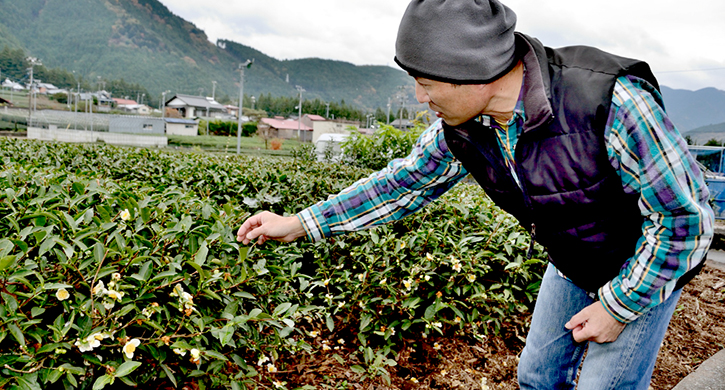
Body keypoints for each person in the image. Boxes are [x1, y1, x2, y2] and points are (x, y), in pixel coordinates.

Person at [237, 1, 714, 388]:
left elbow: (685, 222)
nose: (421, 98)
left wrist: (617, 307)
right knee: (538, 376)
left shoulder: (608, 101)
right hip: (572, 258)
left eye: (426, 84)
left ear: (473, 72)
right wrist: (301, 223)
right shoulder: (463, 127)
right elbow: (401, 181)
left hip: (647, 260)